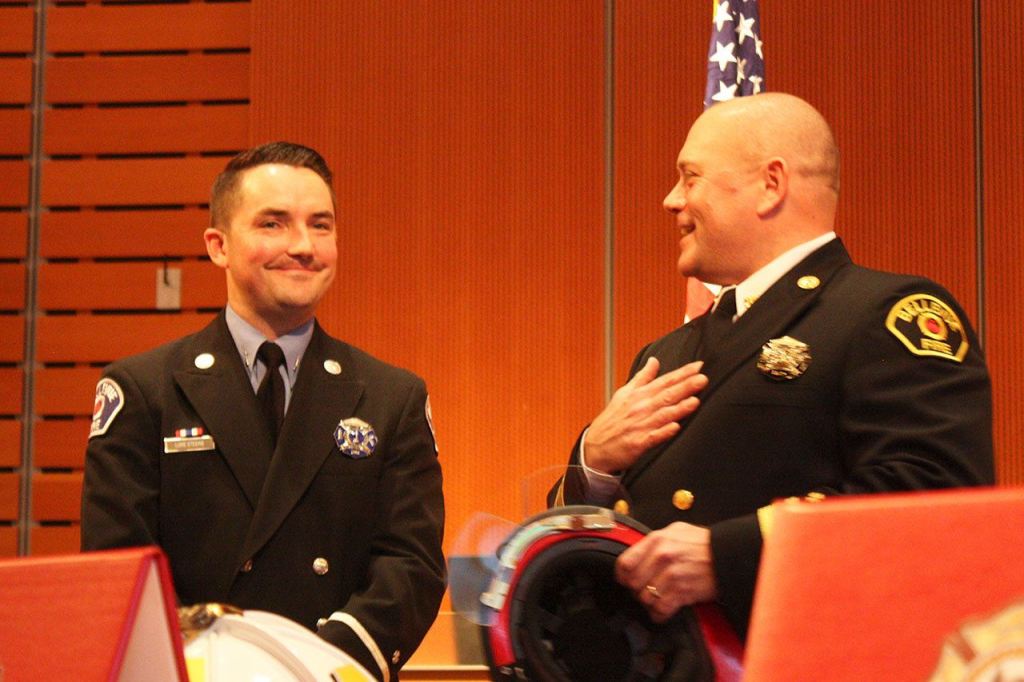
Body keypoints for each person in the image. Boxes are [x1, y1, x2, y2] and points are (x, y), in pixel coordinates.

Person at [550, 93, 994, 641]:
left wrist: (729, 555)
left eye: (690, 178)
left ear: (771, 185)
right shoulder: (667, 353)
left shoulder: (885, 313)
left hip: (810, 655)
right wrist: (593, 461)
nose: (671, 200)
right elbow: (598, 531)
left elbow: (933, 501)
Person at [81, 142, 445, 682]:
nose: (302, 246)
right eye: (273, 224)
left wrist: (315, 667)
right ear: (218, 245)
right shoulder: (143, 390)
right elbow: (119, 571)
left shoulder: (392, 397)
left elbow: (410, 567)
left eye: (320, 225)